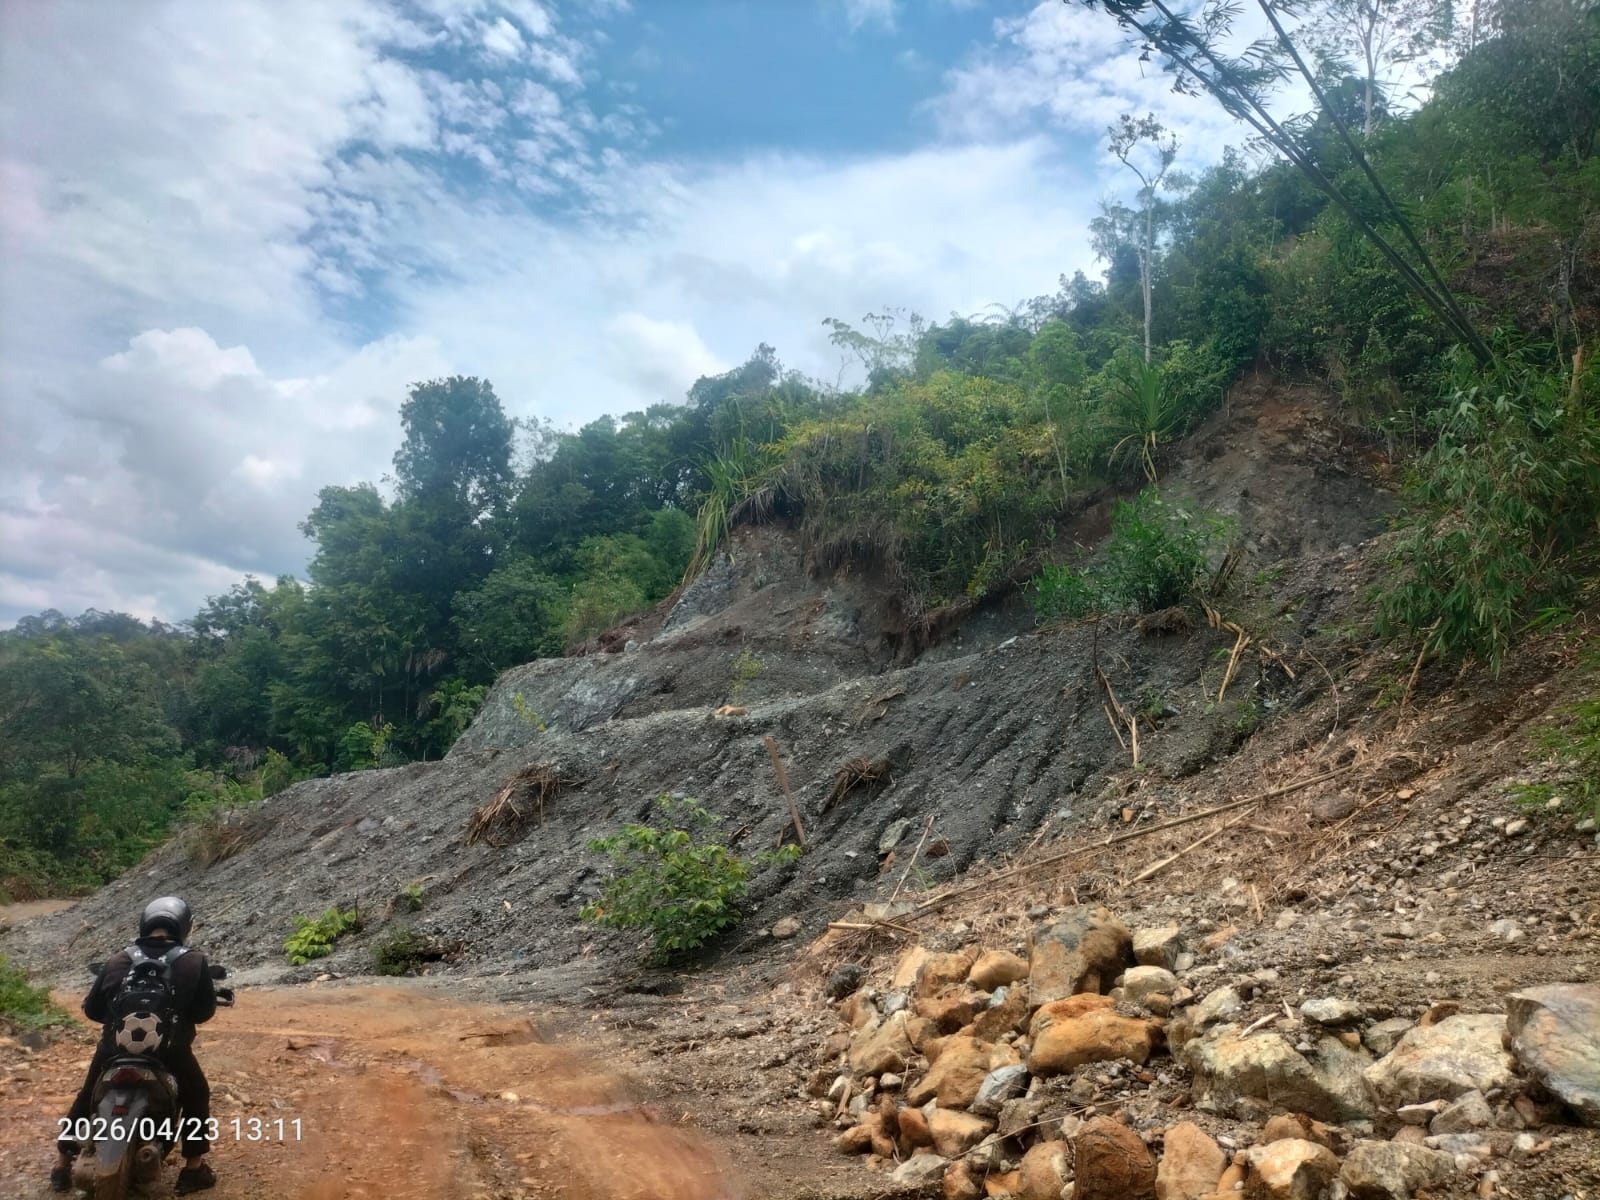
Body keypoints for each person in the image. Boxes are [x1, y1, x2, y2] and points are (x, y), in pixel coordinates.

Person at [52, 895, 218, 1195]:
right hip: (169, 1050)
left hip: (114, 1050)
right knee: (197, 1093)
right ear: (183, 926)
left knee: (88, 1092)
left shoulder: (119, 958)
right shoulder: (194, 960)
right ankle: (193, 1169)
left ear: (145, 923)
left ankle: (63, 1163)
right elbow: (204, 1012)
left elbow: (92, 1009)